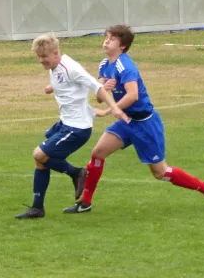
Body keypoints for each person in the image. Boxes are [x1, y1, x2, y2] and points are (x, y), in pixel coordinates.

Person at [64, 24, 204, 214]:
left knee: (160, 172)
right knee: (98, 153)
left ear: (123, 46)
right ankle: (85, 202)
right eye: (106, 36)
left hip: (145, 123)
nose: (106, 40)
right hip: (126, 121)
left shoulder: (126, 66)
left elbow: (133, 96)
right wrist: (105, 89)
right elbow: (99, 96)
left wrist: (108, 111)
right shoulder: (104, 65)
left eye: (112, 38)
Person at [15, 33, 128, 219]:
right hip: (65, 123)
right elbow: (70, 87)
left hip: (76, 129)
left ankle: (77, 173)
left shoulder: (71, 69)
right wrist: (52, 87)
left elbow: (96, 86)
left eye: (44, 57)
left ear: (55, 53)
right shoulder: (56, 67)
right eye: (39, 57)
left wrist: (113, 107)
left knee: (39, 154)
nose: (41, 61)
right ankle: (37, 208)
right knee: (41, 158)